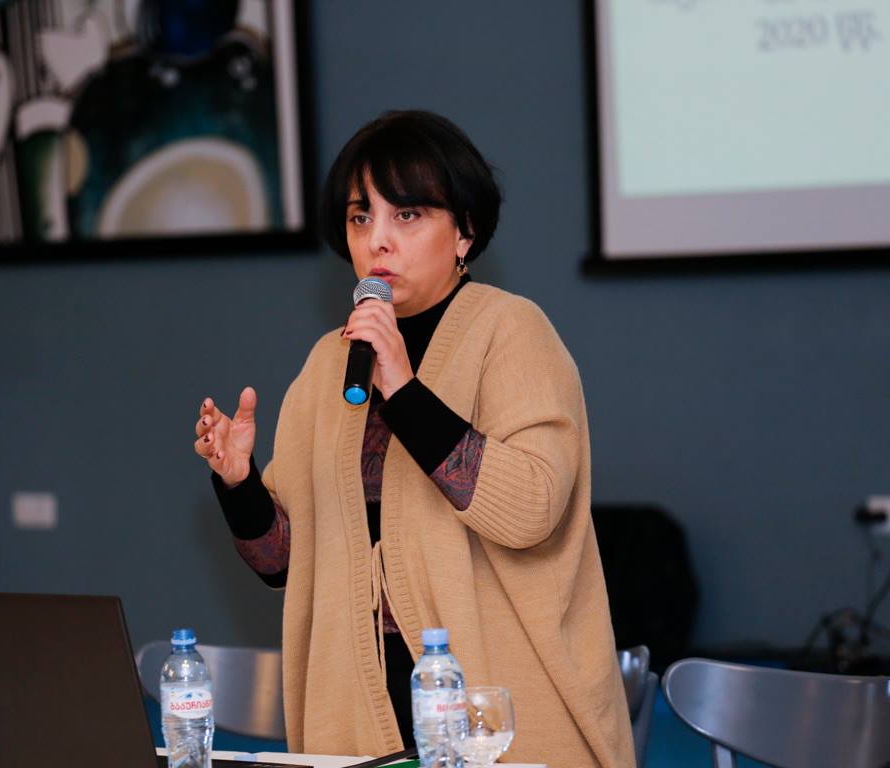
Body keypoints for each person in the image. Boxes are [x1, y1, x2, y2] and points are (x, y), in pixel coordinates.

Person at [193, 110, 635, 767]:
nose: (378, 241)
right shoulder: (330, 363)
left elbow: (531, 510)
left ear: (465, 231)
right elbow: (284, 562)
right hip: (360, 715)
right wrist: (238, 484)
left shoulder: (511, 331)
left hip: (499, 715)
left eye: (407, 215)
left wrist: (402, 389)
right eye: (360, 217)